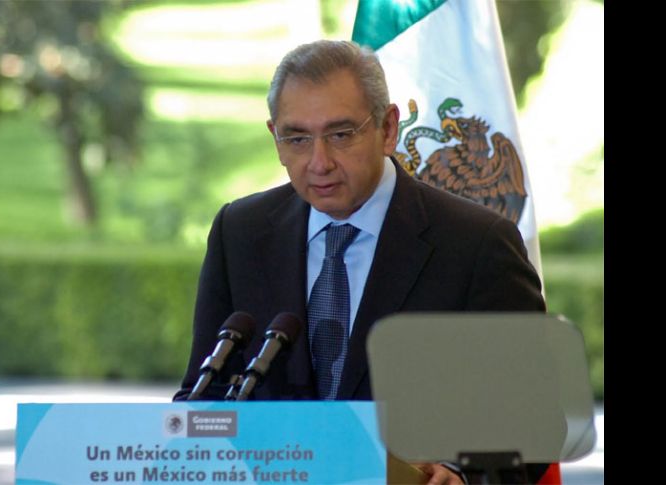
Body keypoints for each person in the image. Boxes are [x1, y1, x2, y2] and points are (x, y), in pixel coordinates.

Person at [174, 40, 548, 484]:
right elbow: (204, 396)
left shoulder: (476, 244)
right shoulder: (241, 232)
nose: (319, 162)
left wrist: (460, 474)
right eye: (297, 138)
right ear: (274, 137)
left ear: (388, 128)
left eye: (341, 134)